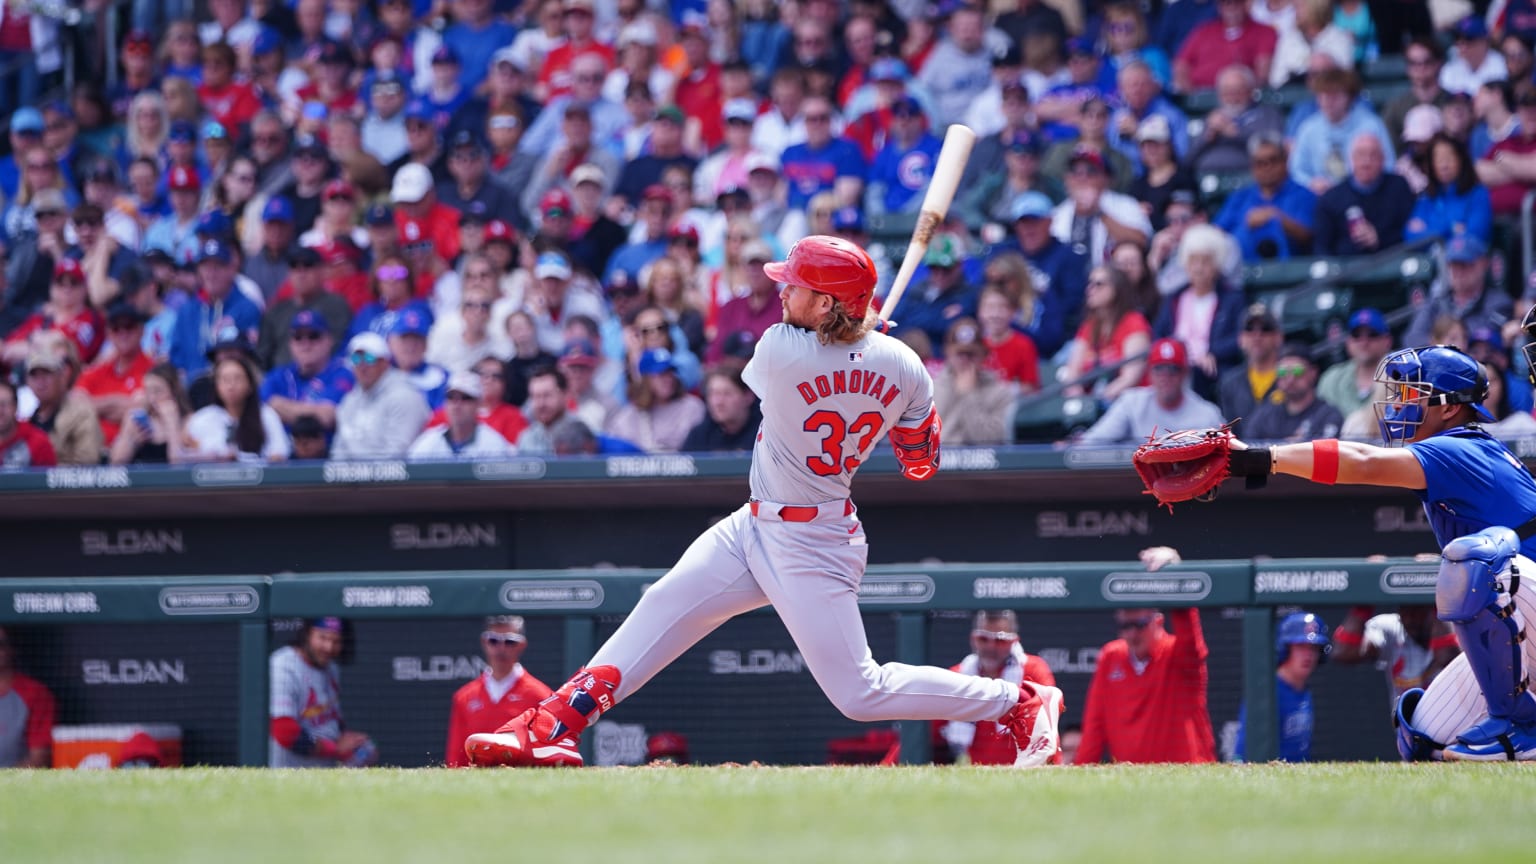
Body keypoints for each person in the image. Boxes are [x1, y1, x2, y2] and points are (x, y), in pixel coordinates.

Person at [465, 235, 1064, 768]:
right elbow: (920, 462)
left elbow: (819, 357)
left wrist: (858, 347)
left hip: (812, 541)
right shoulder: (906, 365)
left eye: (797, 286)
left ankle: (1022, 700)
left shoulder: (779, 349)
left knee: (860, 693)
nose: (782, 292)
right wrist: (879, 361)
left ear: (827, 304)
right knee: (661, 605)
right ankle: (551, 727)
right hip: (754, 525)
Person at [1219, 339, 1536, 760]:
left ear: (1449, 408)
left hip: (1524, 593)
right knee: (1423, 734)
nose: (1397, 406)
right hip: (1528, 617)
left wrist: (1261, 458)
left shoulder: (1461, 446)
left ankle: (1522, 724)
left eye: (1413, 395)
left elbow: (1362, 462)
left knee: (1479, 559)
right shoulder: (1459, 448)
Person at [1075, 546, 1217, 764]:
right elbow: (1095, 726)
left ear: (1157, 620)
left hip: (1187, 780)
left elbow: (1190, 634)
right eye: (1125, 625)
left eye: (1139, 624)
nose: (1132, 634)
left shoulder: (1177, 653)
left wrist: (1175, 572)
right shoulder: (1111, 656)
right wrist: (1080, 778)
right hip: (1131, 786)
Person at [940, 610, 1057, 766]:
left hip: (1029, 769)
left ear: (1014, 641)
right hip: (976, 773)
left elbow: (1046, 726)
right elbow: (930, 732)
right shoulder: (957, 676)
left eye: (1000, 640)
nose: (991, 646)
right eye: (983, 639)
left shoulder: (1033, 671)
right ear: (973, 639)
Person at [444, 615, 553, 769]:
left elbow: (548, 754)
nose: (501, 649)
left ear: (521, 645)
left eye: (509, 641)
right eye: (493, 641)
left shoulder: (541, 696)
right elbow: (455, 758)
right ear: (484, 642)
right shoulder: (464, 697)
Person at [269, 617, 377, 768]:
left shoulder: (330, 667)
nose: (329, 647)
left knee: (365, 751)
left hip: (323, 774)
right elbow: (284, 732)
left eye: (336, 641)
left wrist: (350, 742)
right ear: (307, 634)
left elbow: (331, 719)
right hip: (289, 774)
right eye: (323, 637)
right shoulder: (283, 665)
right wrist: (336, 749)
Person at [1076, 337, 1226, 445]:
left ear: (1185, 373)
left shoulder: (1207, 413)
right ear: (1150, 373)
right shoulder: (1132, 402)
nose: (1165, 376)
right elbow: (1093, 441)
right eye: (1159, 369)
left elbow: (1229, 451)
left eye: (1173, 369)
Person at [1234, 612, 1331, 762]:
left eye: (1313, 648)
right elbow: (1243, 753)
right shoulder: (1268, 693)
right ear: (1285, 649)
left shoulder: (1304, 691)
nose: (1308, 655)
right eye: (1300, 647)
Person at [1331, 604, 1458, 710]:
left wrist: (1439, 608)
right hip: (1406, 733)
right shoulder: (1392, 627)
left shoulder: (1453, 627)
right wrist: (1362, 607)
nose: (1409, 619)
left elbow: (1446, 658)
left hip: (1448, 731)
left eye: (1417, 611)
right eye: (1404, 610)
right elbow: (1344, 652)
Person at [1213, 133, 1316, 262]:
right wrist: (1246, 225)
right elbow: (1217, 234)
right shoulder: (1239, 198)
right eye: (1260, 163)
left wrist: (1276, 217)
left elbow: (1309, 236)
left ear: (1285, 161)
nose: (1267, 168)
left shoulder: (1304, 195)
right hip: (1242, 270)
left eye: (1273, 160)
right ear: (1252, 167)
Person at [331, 332, 432, 460]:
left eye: (369, 358)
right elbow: (338, 452)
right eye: (356, 359)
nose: (362, 366)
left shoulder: (404, 396)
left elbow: (397, 455)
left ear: (384, 363)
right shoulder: (349, 401)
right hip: (352, 478)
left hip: (401, 478)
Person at [1313, 133, 1415, 257]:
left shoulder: (1399, 187)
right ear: (1351, 159)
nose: (1366, 162)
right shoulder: (1331, 199)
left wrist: (1379, 239)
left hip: (1393, 264)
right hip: (1347, 271)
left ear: (1383, 159)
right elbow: (1321, 248)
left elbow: (1412, 233)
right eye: (1361, 155)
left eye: (1373, 155)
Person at [1403, 236, 1513, 350]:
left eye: (1464, 265)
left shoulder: (1499, 303)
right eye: (1453, 266)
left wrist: (1441, 340)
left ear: (1483, 263)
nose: (1458, 272)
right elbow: (1412, 339)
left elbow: (1484, 341)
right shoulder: (1436, 302)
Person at [185, 357, 291, 463]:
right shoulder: (202, 419)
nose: (231, 386)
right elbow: (185, 455)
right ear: (216, 386)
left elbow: (279, 454)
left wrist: (241, 459)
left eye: (237, 379)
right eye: (225, 379)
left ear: (250, 385)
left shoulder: (266, 415)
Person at [932, 319, 1014, 446]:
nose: (965, 360)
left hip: (985, 464)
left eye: (971, 354)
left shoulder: (1000, 392)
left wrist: (969, 395)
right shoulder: (930, 390)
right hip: (940, 462)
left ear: (983, 355)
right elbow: (931, 439)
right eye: (960, 354)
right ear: (948, 352)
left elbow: (990, 441)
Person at [407, 370, 516, 460]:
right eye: (451, 397)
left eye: (465, 398)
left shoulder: (494, 444)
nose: (457, 405)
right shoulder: (428, 442)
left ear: (478, 404)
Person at [1243, 345, 1344, 442]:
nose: (1290, 379)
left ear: (1313, 372)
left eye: (1297, 371)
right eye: (1282, 372)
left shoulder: (1328, 415)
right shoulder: (1264, 417)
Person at [1217, 304, 1284, 436]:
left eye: (1265, 329)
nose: (1257, 335)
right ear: (1240, 339)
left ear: (1278, 337)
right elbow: (1229, 433)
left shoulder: (1290, 377)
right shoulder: (1229, 383)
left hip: (1282, 453)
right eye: (1249, 329)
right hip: (1243, 454)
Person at [1317, 308, 1395, 418]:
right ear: (1348, 342)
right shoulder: (1331, 379)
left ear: (1387, 341)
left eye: (1372, 334)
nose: (1364, 342)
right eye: (1356, 335)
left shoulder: (1403, 373)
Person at [0, 625, 55, 768]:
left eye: (0, 645)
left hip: (14, 784)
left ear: (11, 649)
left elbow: (39, 758)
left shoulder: (34, 693)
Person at [682, 366, 763, 452]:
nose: (718, 402)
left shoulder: (764, 432)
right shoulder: (699, 435)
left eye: (727, 394)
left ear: (748, 397)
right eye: (713, 394)